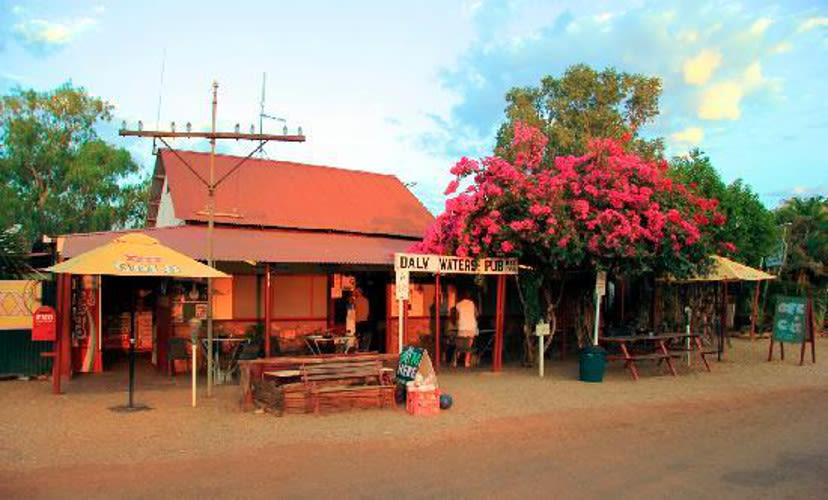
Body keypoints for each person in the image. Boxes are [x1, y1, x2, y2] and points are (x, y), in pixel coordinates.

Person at [453, 291, 478, 368]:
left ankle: (455, 362)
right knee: (468, 346)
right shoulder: (472, 303)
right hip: (471, 326)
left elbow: (456, 316)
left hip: (462, 326)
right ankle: (466, 362)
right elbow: (476, 314)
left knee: (459, 346)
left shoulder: (458, 305)